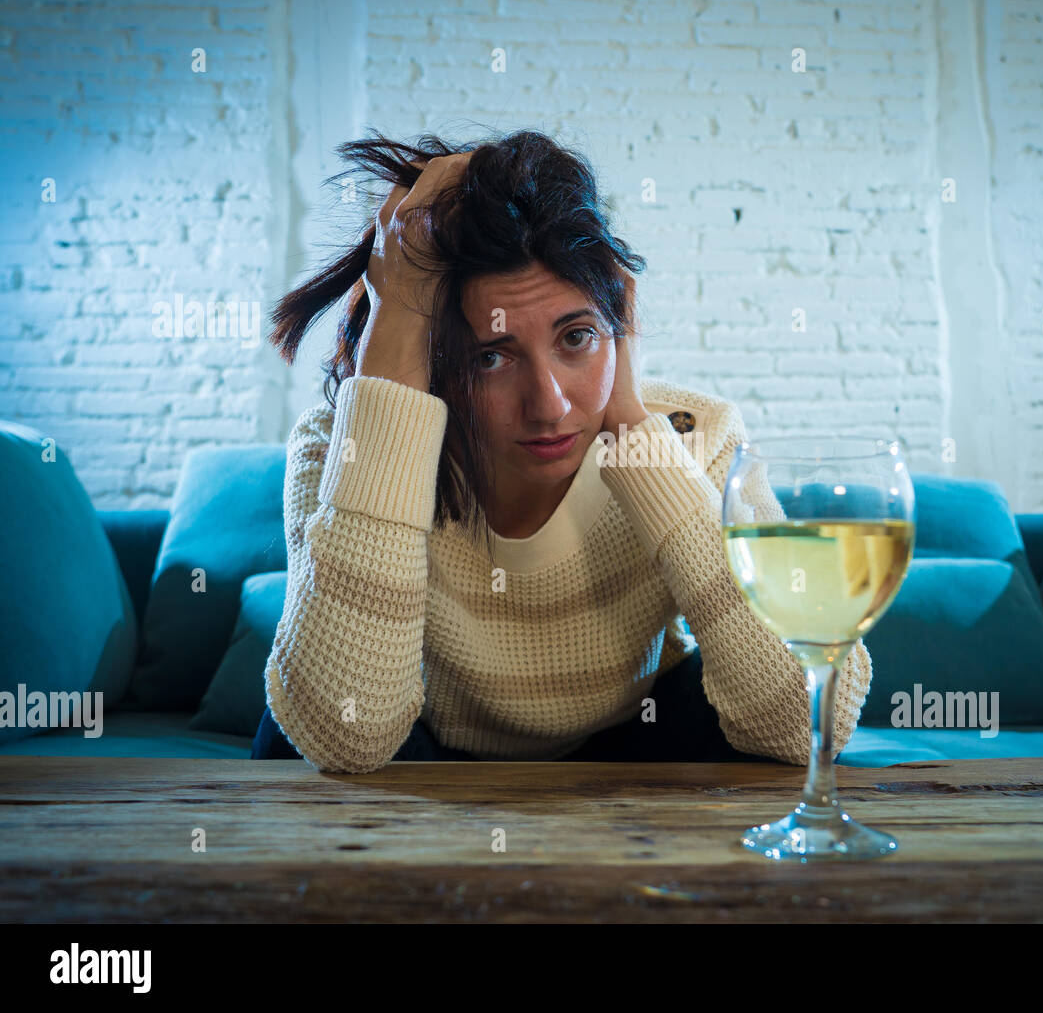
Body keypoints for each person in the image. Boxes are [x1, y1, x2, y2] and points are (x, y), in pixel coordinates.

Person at [253, 128, 874, 772]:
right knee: (302, 721)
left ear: (620, 326)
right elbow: (345, 737)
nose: (548, 404)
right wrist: (400, 312)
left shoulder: (700, 435)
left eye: (577, 336)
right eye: (491, 356)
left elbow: (808, 722)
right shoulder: (342, 447)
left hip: (634, 741)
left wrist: (633, 430)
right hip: (421, 749)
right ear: (432, 353)